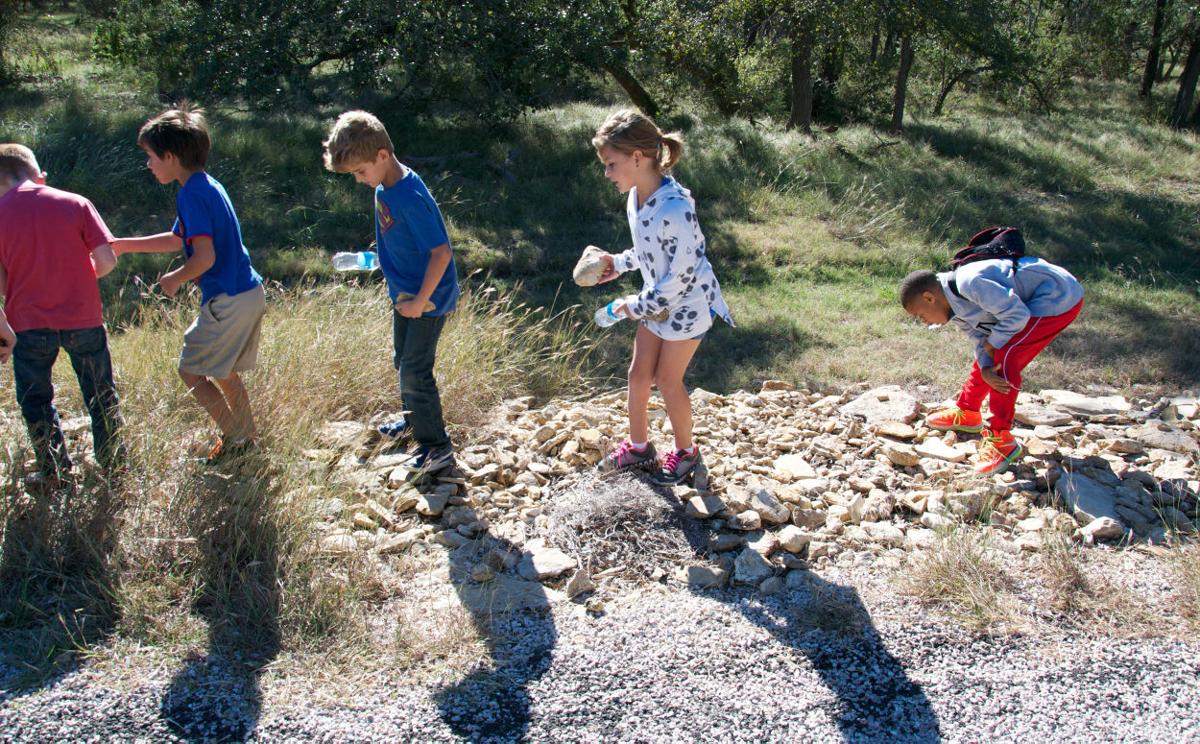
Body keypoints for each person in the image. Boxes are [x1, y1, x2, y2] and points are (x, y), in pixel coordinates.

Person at [113, 104, 266, 464]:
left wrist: (174, 279)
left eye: (150, 157)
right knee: (224, 372)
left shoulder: (191, 194)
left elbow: (204, 258)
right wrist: (124, 245)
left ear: (170, 156)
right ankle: (245, 439)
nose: (148, 164)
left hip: (227, 298)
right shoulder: (205, 185)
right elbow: (176, 239)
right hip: (247, 293)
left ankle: (237, 440)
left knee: (191, 371)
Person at [590, 109, 734, 485]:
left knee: (668, 381)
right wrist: (618, 263)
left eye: (611, 164)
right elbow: (649, 251)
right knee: (639, 375)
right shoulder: (636, 198)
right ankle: (639, 448)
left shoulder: (675, 207)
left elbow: (680, 278)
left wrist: (633, 306)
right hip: (656, 302)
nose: (607, 174)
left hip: (687, 306)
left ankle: (688, 455)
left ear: (637, 157)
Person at [322, 110, 459, 477]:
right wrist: (367, 259)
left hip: (427, 299)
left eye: (360, 171)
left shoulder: (409, 195)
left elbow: (441, 252)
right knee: (403, 362)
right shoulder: (384, 188)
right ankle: (414, 423)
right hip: (405, 296)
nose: (358, 180)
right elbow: (398, 243)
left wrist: (418, 301)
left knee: (416, 369)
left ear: (382, 156)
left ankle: (436, 447)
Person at [0, 143, 125, 479]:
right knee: (100, 393)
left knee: (36, 399)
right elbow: (106, 261)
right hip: (82, 318)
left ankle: (53, 471)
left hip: (27, 324)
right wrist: (78, 277)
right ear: (37, 175)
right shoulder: (75, 202)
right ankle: (114, 467)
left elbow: (2, 281)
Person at [899, 254, 1084, 475]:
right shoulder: (951, 307)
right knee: (992, 353)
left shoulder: (971, 283)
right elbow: (979, 338)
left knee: (1007, 354)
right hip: (1031, 302)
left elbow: (1017, 314)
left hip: (1058, 295)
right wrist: (986, 365)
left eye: (921, 316)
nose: (925, 322)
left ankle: (1001, 438)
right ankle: (968, 411)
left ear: (929, 298)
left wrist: (993, 344)